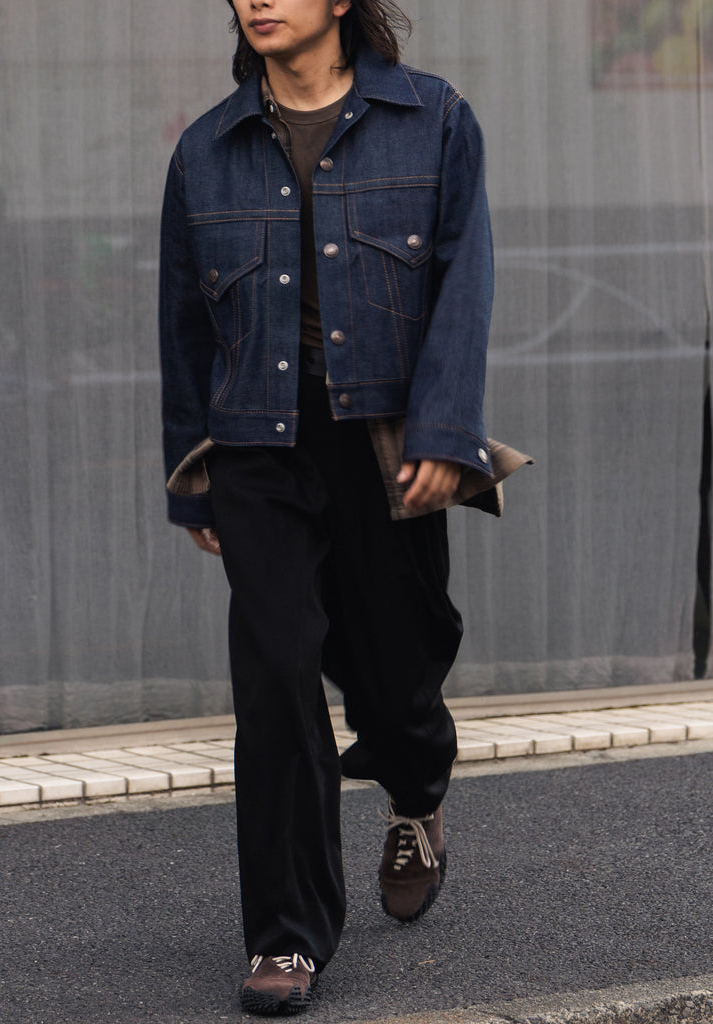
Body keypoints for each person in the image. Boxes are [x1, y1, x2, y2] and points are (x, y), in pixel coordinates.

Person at [159, 0, 526, 1014]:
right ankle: (287, 936)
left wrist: (444, 433)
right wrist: (191, 473)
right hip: (257, 444)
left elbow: (464, 284)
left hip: (385, 437)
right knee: (277, 677)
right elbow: (184, 322)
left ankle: (416, 788)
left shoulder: (433, 120)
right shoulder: (206, 150)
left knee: (396, 671)